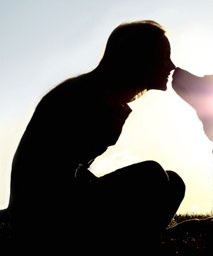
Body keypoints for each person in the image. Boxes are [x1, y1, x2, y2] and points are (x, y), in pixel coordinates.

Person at [7, 20, 185, 253]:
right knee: (151, 175)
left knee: (173, 183)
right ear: (138, 58)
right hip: (43, 218)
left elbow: (72, 169)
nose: (171, 65)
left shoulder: (105, 97)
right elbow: (50, 174)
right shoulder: (84, 97)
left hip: (56, 207)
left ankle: (139, 239)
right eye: (163, 57)